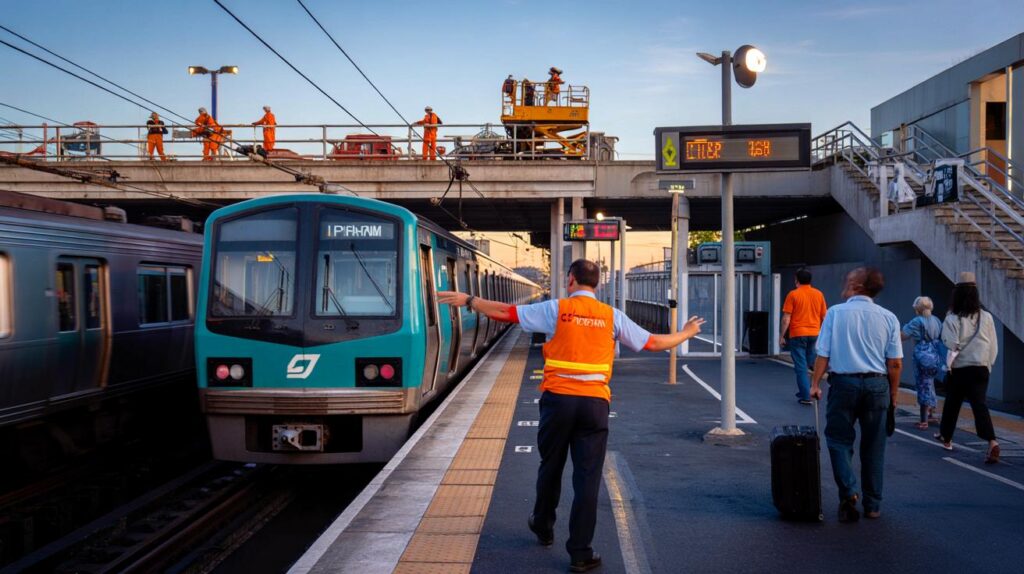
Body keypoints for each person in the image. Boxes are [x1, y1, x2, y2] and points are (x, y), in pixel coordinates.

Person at [438, 259, 704, 573]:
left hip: (558, 401)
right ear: (598, 285)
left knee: (550, 465)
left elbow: (506, 312)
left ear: (570, 280)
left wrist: (470, 300)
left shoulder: (558, 309)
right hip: (594, 404)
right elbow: (653, 342)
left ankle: (543, 525)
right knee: (587, 478)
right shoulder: (611, 316)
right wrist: (686, 333)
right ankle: (581, 553)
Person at [810, 267, 902, 522]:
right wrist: (893, 395)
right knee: (874, 446)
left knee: (838, 440)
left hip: (844, 384)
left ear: (857, 286)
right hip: (878, 385)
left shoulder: (835, 313)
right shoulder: (889, 317)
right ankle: (873, 505)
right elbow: (895, 363)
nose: (845, 282)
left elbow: (823, 353)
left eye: (849, 279)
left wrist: (815, 384)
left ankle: (849, 492)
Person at [935, 272, 1000, 464]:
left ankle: (947, 437)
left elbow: (950, 343)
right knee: (980, 405)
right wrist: (987, 365)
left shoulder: (952, 318)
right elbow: (993, 346)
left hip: (961, 368)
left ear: (957, 295)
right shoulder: (986, 317)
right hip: (981, 368)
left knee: (952, 403)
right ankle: (992, 441)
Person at [779, 268, 827, 405]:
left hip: (798, 334)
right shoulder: (818, 294)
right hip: (814, 334)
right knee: (812, 362)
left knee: (800, 366)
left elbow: (786, 318)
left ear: (796, 280)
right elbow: (825, 316)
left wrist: (782, 335)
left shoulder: (793, 294)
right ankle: (814, 386)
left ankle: (806, 395)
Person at [901, 296, 943, 429]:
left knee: (922, 384)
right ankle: (931, 414)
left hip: (922, 356)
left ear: (917, 309)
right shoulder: (936, 320)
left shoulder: (917, 321)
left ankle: (924, 420)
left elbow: (903, 335)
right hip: (935, 355)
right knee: (930, 383)